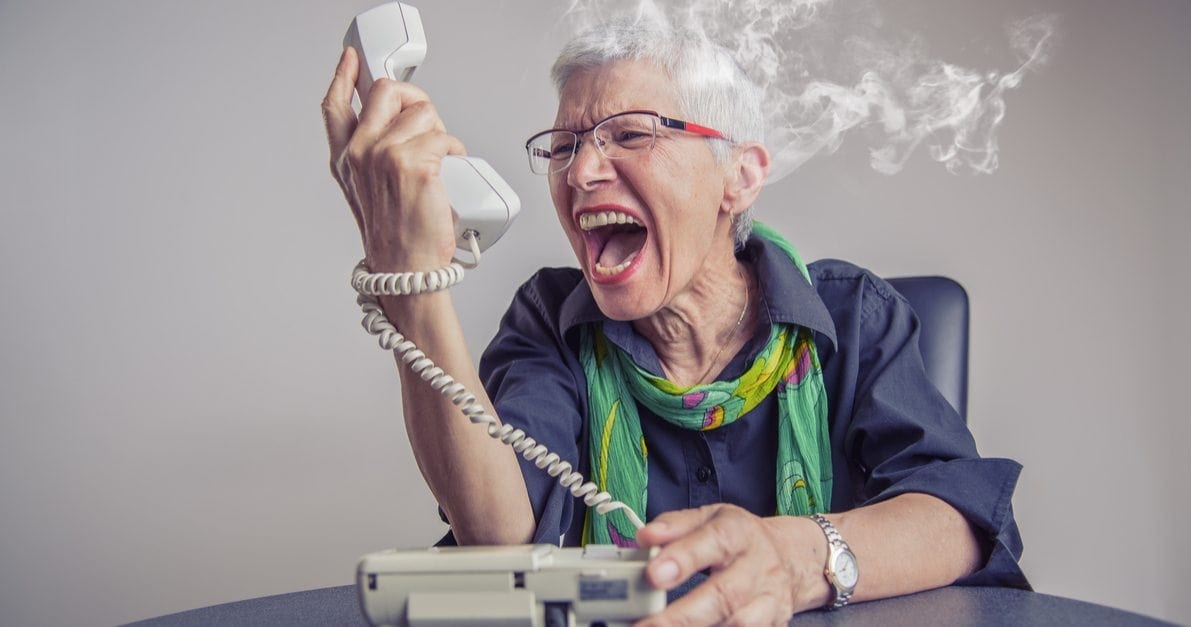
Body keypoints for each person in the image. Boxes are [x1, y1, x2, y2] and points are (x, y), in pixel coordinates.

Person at [321, 16, 1027, 626]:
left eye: (629, 134)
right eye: (564, 146)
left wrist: (789, 555)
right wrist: (412, 282)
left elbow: (958, 518)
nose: (582, 172)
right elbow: (500, 537)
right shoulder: (550, 322)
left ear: (740, 176)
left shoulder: (855, 314)